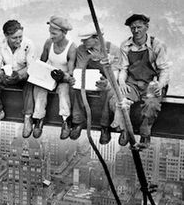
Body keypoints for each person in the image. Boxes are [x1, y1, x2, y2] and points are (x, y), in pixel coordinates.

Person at [109, 14, 170, 148]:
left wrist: (160, 84)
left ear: (146, 27)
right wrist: (122, 82)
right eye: (133, 28)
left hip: (152, 83)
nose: (136, 31)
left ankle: (145, 133)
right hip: (133, 82)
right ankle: (124, 129)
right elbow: (123, 68)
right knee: (119, 99)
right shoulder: (126, 45)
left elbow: (164, 69)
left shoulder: (156, 45)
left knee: (151, 104)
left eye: (139, 27)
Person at [69, 23, 120, 142]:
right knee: (75, 87)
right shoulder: (82, 49)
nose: (82, 42)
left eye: (86, 39)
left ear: (96, 38)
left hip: (105, 81)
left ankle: (104, 126)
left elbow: (115, 76)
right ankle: (78, 121)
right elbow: (80, 69)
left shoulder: (113, 50)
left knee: (109, 91)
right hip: (87, 80)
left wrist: (106, 82)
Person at [0, 20, 35, 134]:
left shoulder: (28, 44)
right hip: (7, 75)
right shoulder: (0, 44)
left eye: (20, 37)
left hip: (22, 74)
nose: (18, 40)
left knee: (31, 81)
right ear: (6, 36)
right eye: (14, 38)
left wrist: (19, 75)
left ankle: (28, 116)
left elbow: (31, 66)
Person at [32, 16, 76, 139]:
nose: (51, 36)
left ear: (64, 33)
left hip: (62, 77)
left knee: (63, 92)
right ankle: (39, 119)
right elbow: (43, 61)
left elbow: (71, 71)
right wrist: (39, 73)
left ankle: (66, 120)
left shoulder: (71, 48)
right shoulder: (48, 43)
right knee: (40, 89)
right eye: (50, 33)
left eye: (54, 33)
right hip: (49, 74)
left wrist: (63, 76)